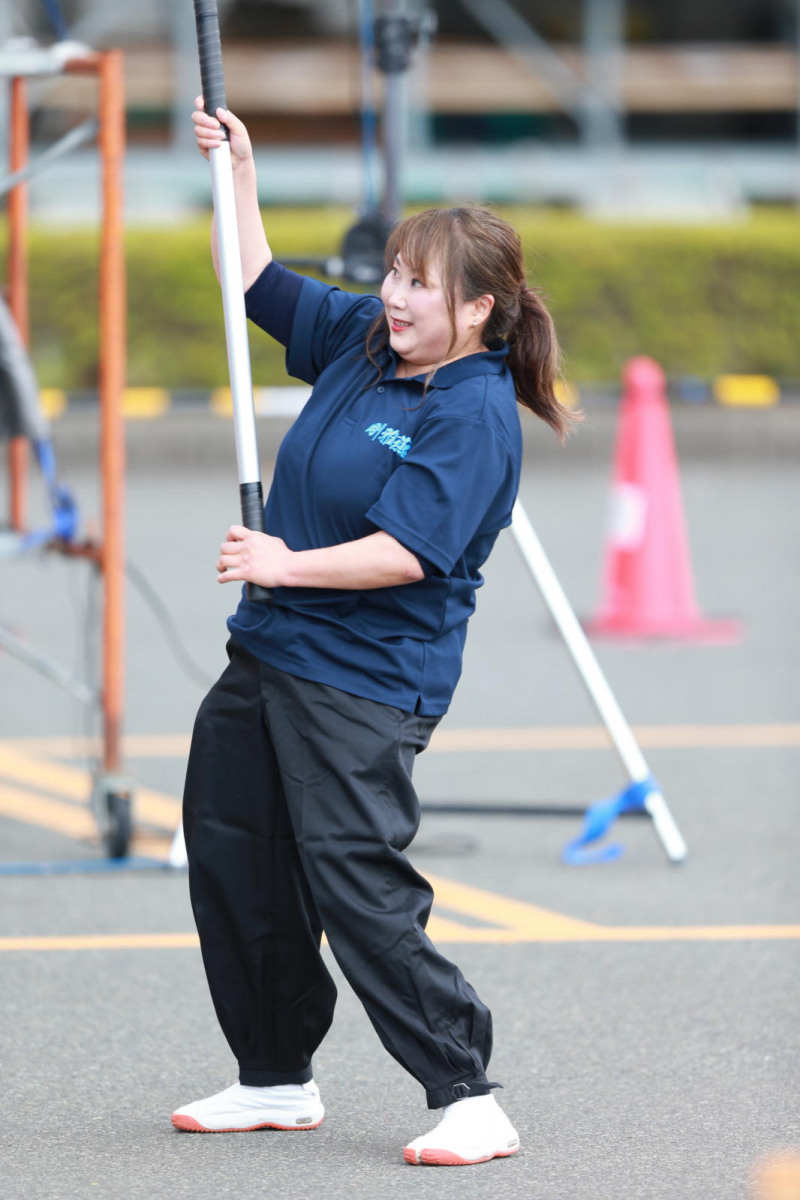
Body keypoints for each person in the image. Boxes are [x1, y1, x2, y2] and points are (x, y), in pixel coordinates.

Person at [172, 97, 579, 1167]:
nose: (393, 296)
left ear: (480, 310)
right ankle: (273, 1078)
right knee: (233, 855)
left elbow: (405, 552)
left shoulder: (473, 414)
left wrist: (282, 563)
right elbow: (251, 282)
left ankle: (466, 1092)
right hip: (269, 652)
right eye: (393, 274)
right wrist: (241, 178)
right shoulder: (365, 342)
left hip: (362, 680)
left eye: (418, 285)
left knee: (354, 877)